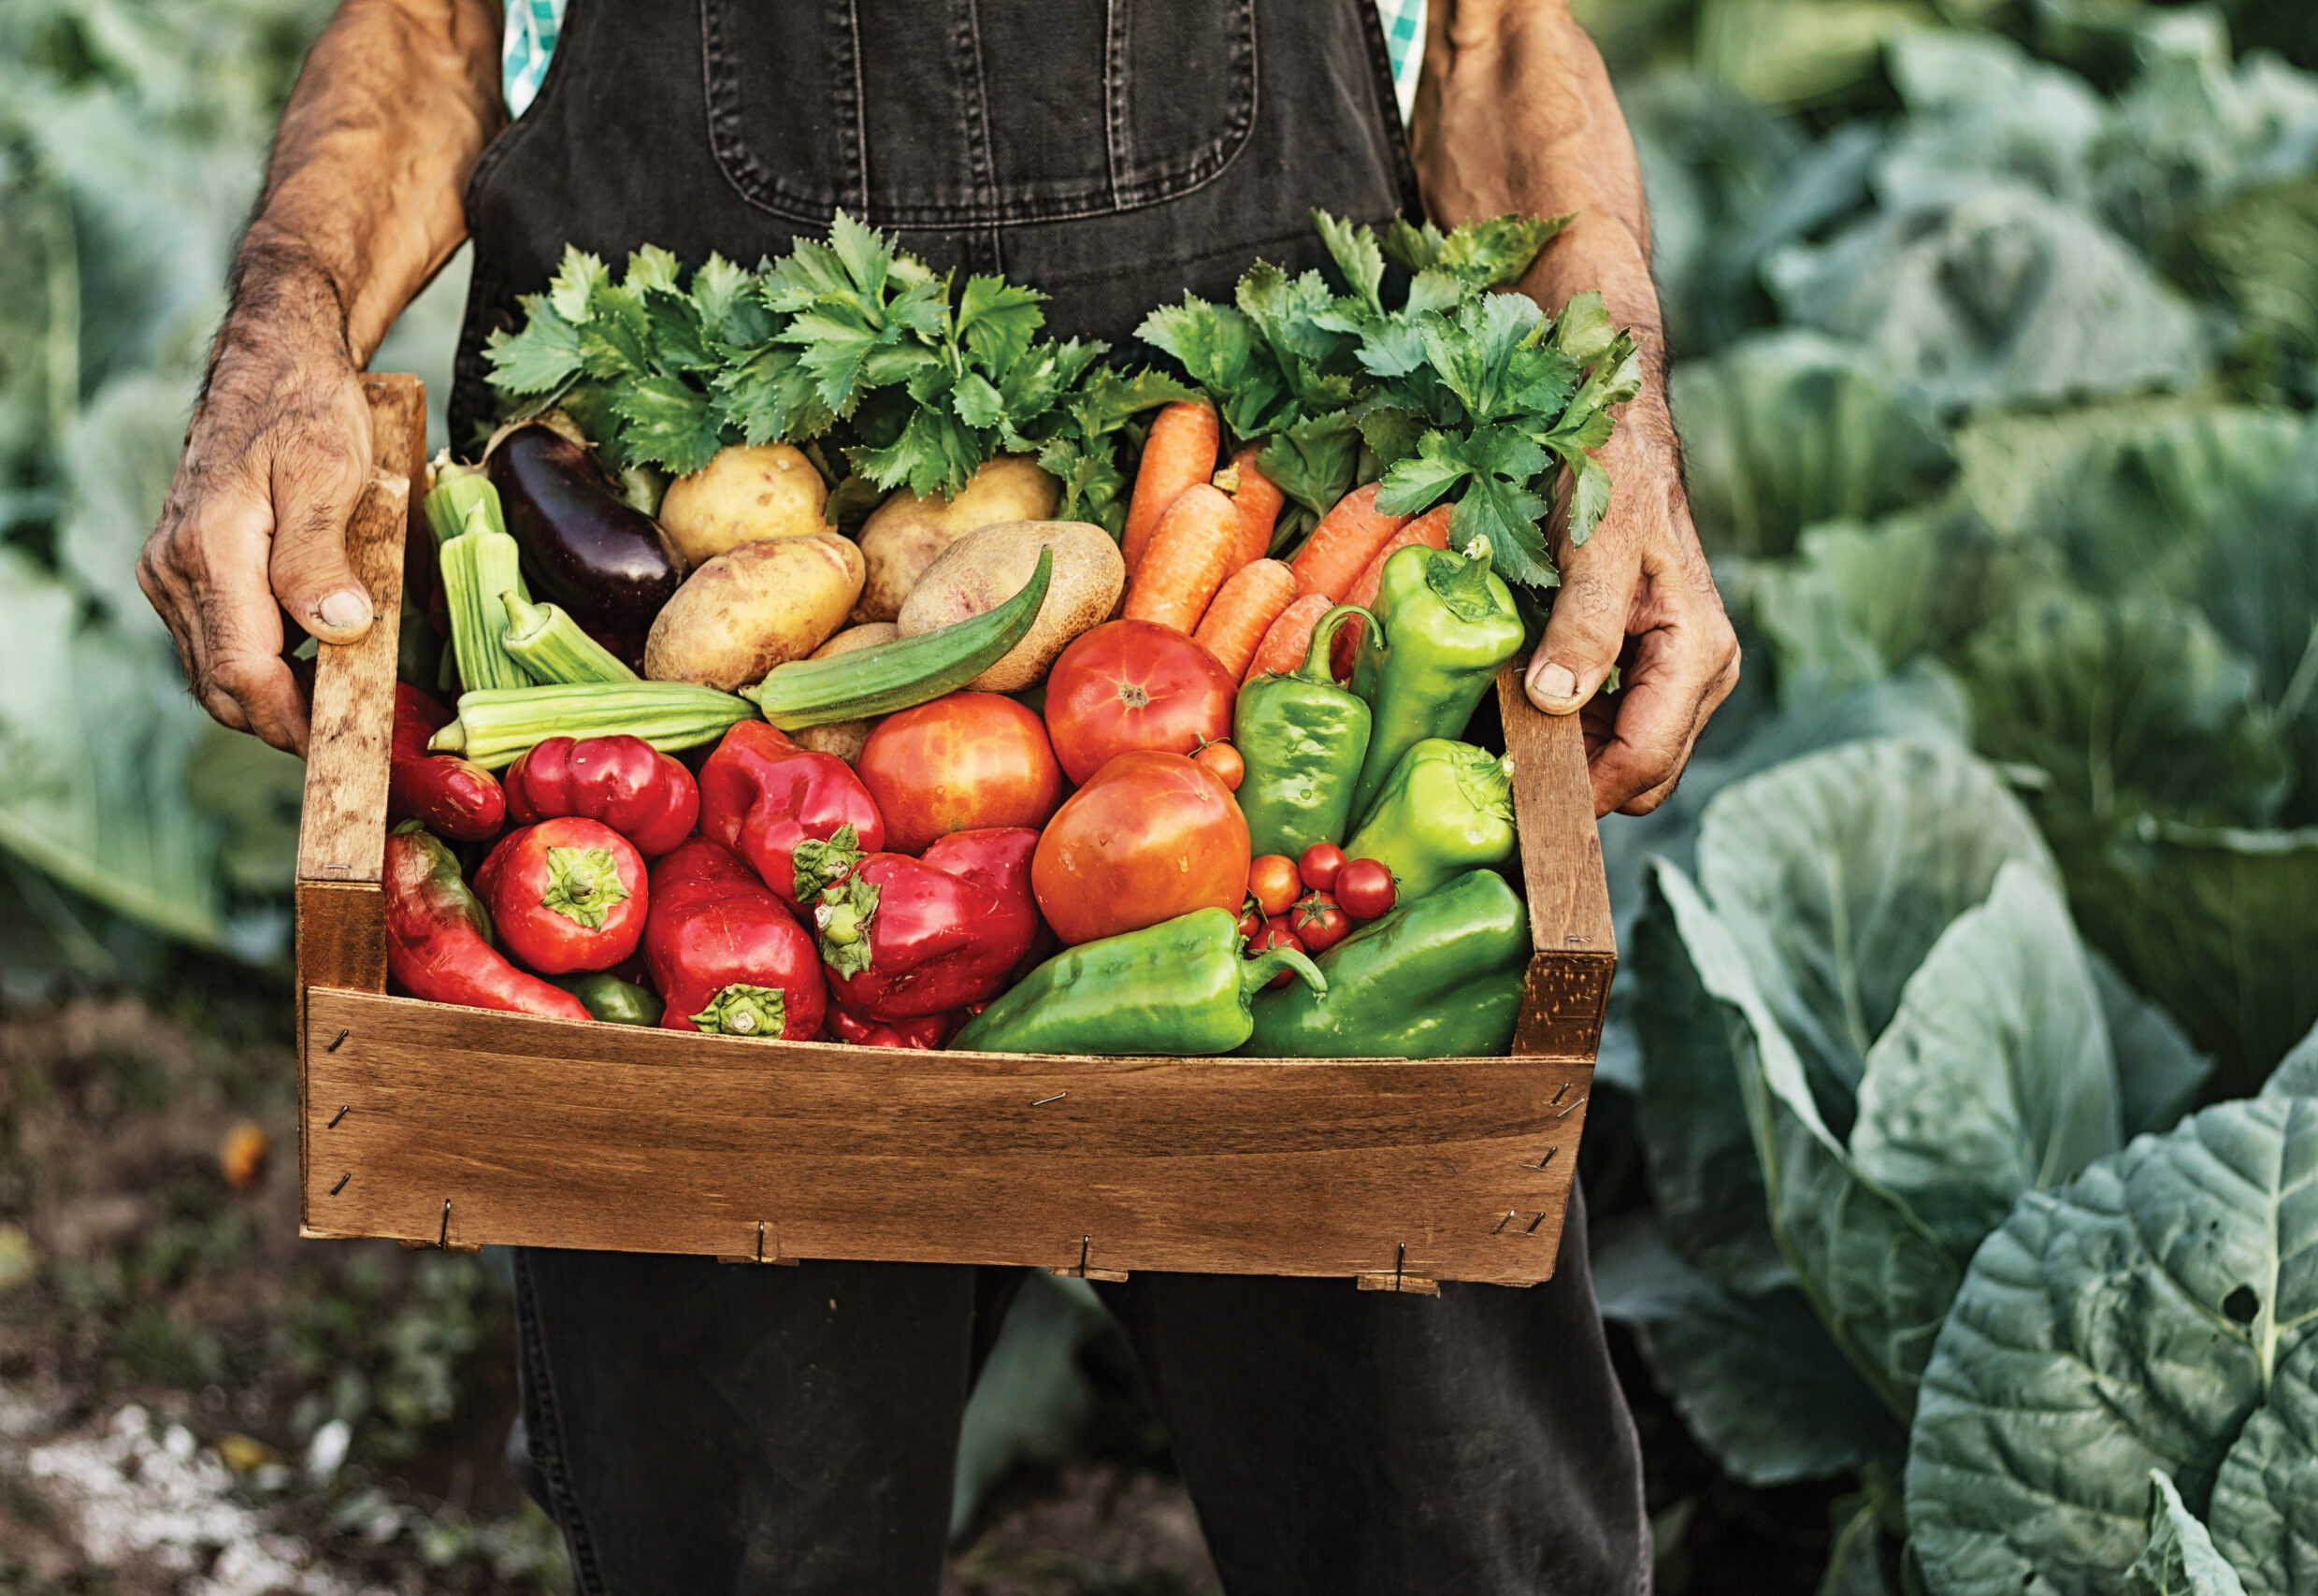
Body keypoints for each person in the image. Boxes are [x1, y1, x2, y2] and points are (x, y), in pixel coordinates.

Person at [139, 2, 1739, 1589]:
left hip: (1278, 530)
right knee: (757, 1536)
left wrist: (1617, 397)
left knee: (1454, 1521)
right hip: (715, 605)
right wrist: (286, 325)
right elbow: (432, 27)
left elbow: (1488, 35)